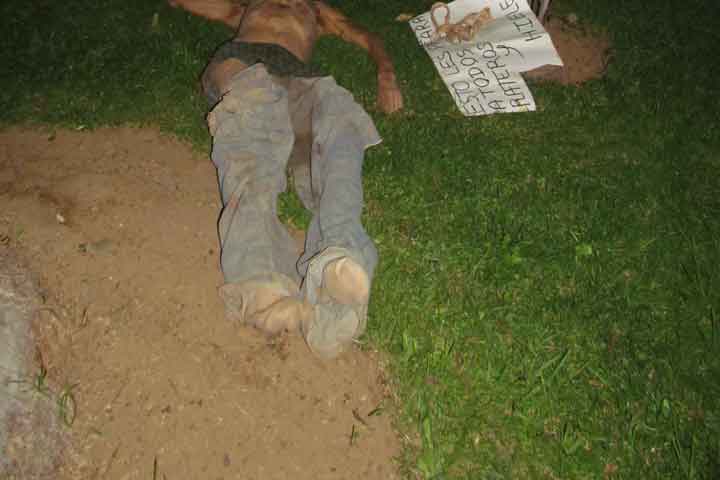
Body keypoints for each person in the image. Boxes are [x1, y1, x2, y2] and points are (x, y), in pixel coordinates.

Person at [169, 0, 403, 358]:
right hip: (246, 65)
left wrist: (386, 73)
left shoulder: (317, 12)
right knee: (255, 131)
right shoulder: (246, 5)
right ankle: (261, 282)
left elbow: (367, 38)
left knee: (342, 122)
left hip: (302, 81)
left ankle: (336, 267)